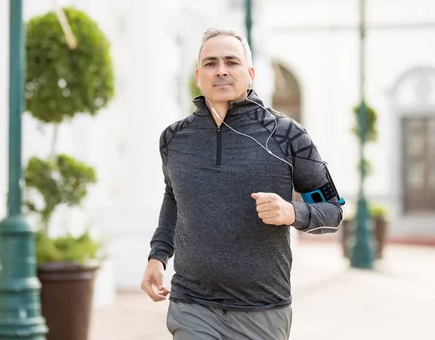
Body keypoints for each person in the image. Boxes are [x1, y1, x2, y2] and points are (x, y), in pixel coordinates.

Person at [140, 27, 344, 339]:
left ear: (249, 73)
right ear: (199, 75)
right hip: (191, 305)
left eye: (231, 62)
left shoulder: (290, 136)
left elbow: (332, 211)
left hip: (262, 311)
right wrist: (158, 255)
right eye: (210, 63)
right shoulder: (174, 138)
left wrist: (293, 212)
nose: (220, 70)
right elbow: (174, 197)